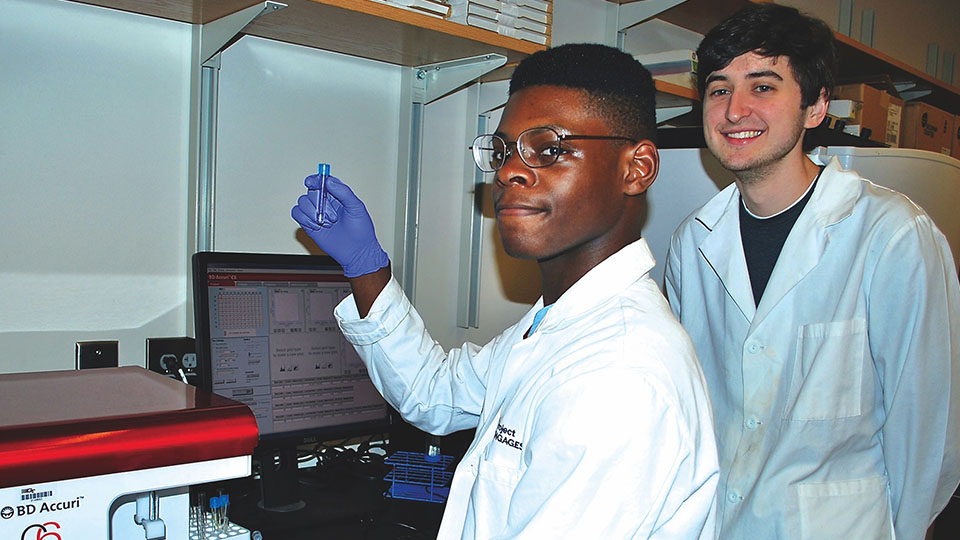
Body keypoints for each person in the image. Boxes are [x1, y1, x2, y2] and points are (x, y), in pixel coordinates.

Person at [293, 43, 718, 539]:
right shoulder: (562, 325)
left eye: (549, 149)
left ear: (636, 168)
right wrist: (366, 267)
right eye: (503, 150)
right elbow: (434, 394)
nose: (508, 171)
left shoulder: (618, 376)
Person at [664, 4, 960, 540]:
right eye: (718, 89)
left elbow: (930, 434)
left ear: (816, 106)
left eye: (763, 87)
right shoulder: (693, 242)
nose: (734, 111)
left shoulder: (892, 235)